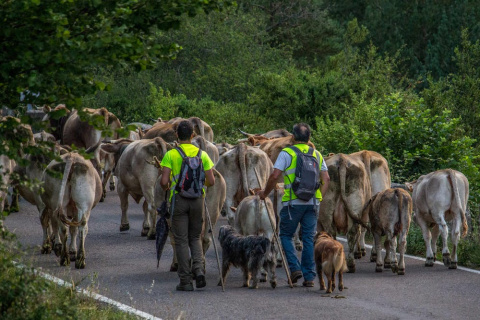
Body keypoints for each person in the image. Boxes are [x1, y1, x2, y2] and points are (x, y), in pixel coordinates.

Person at [257, 123, 330, 287]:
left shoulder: (286, 153)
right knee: (309, 239)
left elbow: (275, 175)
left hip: (292, 203)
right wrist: (319, 199)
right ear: (309, 138)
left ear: (292, 138)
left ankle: (295, 268)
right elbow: (327, 179)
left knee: (285, 236)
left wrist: (264, 193)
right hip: (311, 203)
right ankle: (310, 277)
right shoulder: (317, 154)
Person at [160, 120, 215, 291]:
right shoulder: (202, 154)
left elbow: (163, 182)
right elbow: (211, 181)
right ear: (193, 135)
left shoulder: (171, 155)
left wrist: (170, 185)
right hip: (198, 200)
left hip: (179, 200)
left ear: (176, 135)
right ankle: (198, 270)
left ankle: (185, 281)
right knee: (195, 237)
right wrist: (198, 185)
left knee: (181, 240)